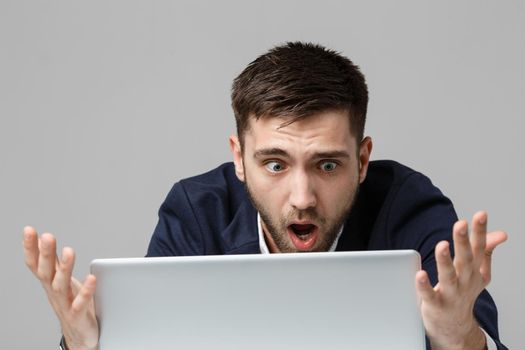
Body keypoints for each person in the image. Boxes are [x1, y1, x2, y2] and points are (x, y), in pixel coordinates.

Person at [23, 42, 508, 350]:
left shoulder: (409, 205)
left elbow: (475, 336)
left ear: (362, 161)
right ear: (239, 158)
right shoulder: (197, 212)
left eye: (328, 165)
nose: (302, 198)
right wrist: (85, 345)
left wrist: (455, 338)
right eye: (275, 164)